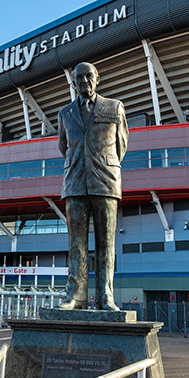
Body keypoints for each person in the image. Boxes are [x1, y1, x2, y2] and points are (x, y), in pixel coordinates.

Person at [57, 62, 128, 310]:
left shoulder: (114, 107)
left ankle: (105, 297)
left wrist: (101, 165)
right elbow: (64, 147)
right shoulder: (65, 113)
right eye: (79, 78)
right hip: (75, 182)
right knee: (75, 244)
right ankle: (75, 296)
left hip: (105, 181)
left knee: (105, 244)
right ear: (73, 82)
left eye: (89, 76)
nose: (84, 81)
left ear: (97, 79)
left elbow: (121, 146)